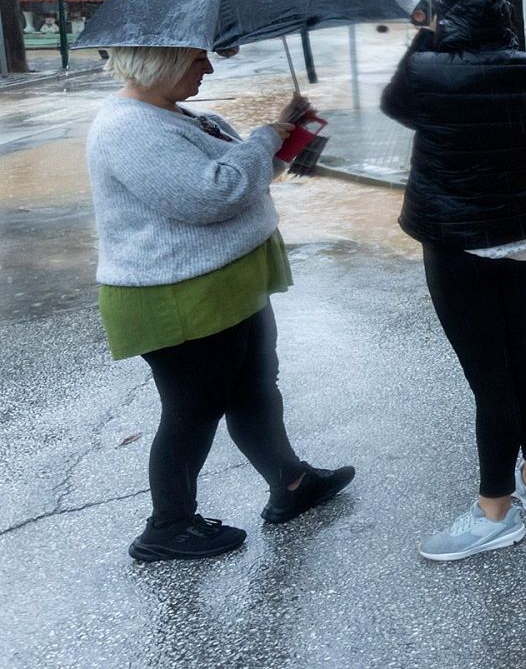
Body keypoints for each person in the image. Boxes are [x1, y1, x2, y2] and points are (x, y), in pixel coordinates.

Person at [86, 46, 355, 562]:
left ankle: (291, 483)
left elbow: (249, 176)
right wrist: (264, 138)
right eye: (195, 60)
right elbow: (213, 195)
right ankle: (168, 525)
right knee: (194, 409)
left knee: (254, 387)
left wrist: (287, 131)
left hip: (225, 284)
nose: (207, 68)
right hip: (177, 294)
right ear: (156, 63)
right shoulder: (130, 128)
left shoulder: (178, 115)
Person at [380, 0, 526, 562]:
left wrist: (426, 28)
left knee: (490, 378)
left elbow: (394, 103)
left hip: (459, 244)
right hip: (525, 235)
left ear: (448, 11)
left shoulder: (427, 72)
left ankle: (494, 513)